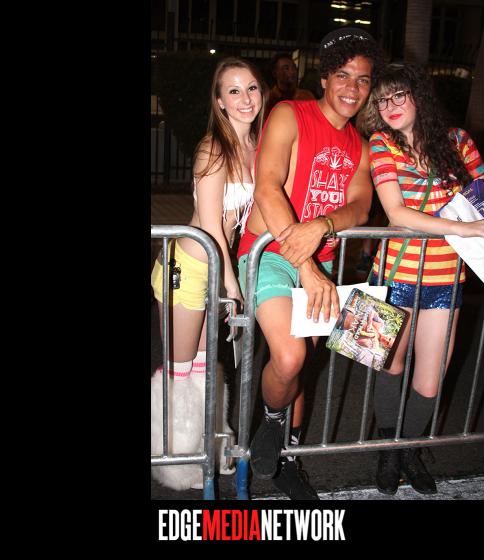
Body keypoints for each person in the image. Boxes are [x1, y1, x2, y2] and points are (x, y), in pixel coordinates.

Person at [236, 28, 385, 500]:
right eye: (343, 75)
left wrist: (321, 225)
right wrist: (305, 266)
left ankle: (287, 459)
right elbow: (267, 187)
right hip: (268, 253)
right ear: (323, 78)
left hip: (321, 265)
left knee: (302, 366)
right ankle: (271, 424)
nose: (352, 88)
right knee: (290, 357)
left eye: (363, 80)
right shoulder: (289, 114)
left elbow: (360, 206)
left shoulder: (361, 144)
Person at [356, 62, 484, 496]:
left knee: (430, 380)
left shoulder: (459, 141)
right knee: (387, 365)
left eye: (398, 94)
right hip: (392, 273)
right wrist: (465, 229)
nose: (389, 105)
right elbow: (397, 213)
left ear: (419, 95)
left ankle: (408, 450)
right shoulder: (381, 143)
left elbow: (481, 198)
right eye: (381, 99)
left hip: (446, 278)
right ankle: (388, 453)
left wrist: (472, 224)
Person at [150, 57, 268, 487]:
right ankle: (172, 467)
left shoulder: (256, 145)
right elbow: (214, 225)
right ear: (219, 101)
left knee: (204, 370)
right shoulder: (213, 147)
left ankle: (204, 456)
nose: (245, 98)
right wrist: (232, 284)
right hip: (189, 269)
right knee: (179, 372)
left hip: (216, 270)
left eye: (251, 88)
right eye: (233, 90)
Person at [264, 53, 315, 119]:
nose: (292, 72)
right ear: (275, 73)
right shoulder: (269, 99)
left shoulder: (306, 96)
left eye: (294, 67)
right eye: (286, 68)